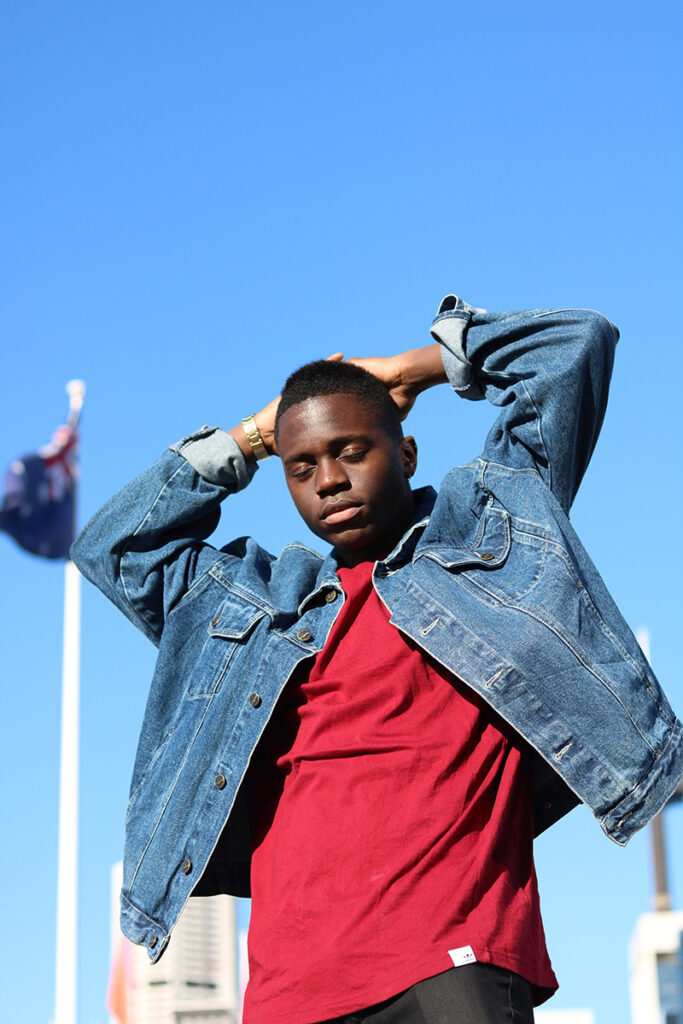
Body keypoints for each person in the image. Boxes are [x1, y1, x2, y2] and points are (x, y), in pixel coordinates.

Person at [72, 295, 683, 1024]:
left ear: (406, 451)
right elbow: (115, 546)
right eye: (301, 466)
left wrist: (412, 371)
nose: (328, 479)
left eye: (350, 451)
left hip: (452, 958)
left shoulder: (491, 534)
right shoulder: (257, 603)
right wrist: (251, 437)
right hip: (290, 989)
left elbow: (574, 345)